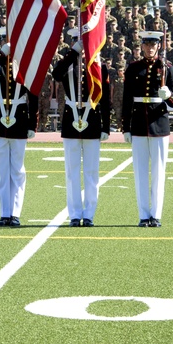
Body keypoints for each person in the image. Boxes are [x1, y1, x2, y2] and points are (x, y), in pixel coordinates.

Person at [52, 28, 111, 227]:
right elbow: (56, 73)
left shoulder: (99, 66)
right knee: (72, 171)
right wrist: (74, 52)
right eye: (79, 41)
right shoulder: (68, 64)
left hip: (92, 120)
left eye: (85, 41)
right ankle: (75, 214)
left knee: (92, 172)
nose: (83, 45)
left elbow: (106, 99)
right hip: (71, 120)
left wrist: (106, 127)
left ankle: (90, 214)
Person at [0, 27, 37, 226]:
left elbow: (34, 93)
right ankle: (4, 212)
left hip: (20, 117)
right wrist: (2, 53)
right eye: (7, 39)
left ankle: (15, 213)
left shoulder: (25, 62)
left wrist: (33, 123)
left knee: (18, 169)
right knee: (1, 169)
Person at [122, 31, 173, 227]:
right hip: (138, 123)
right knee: (140, 172)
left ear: (159, 46)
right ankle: (143, 215)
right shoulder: (133, 68)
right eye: (146, 44)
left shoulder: (167, 68)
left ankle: (156, 215)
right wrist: (125, 127)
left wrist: (168, 95)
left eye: (153, 44)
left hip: (159, 123)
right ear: (142, 46)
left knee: (158, 172)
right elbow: (127, 99)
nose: (150, 48)